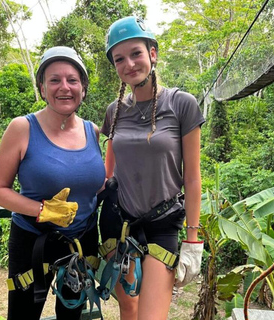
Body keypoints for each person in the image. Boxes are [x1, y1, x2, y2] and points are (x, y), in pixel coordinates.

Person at [99, 16, 205, 320]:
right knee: (129, 308)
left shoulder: (182, 104)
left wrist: (193, 240)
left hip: (163, 222)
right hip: (118, 222)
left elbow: (193, 178)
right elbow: (108, 173)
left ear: (152, 54)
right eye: (119, 59)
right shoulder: (114, 111)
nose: (129, 64)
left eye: (136, 54)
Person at [0, 46, 106, 320]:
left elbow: (97, 184)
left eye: (72, 80)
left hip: (81, 240)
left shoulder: (94, 132)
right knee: (23, 315)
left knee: (71, 315)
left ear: (83, 88)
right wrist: (42, 210)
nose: (64, 87)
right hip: (33, 239)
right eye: (54, 80)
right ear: (42, 88)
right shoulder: (22, 128)